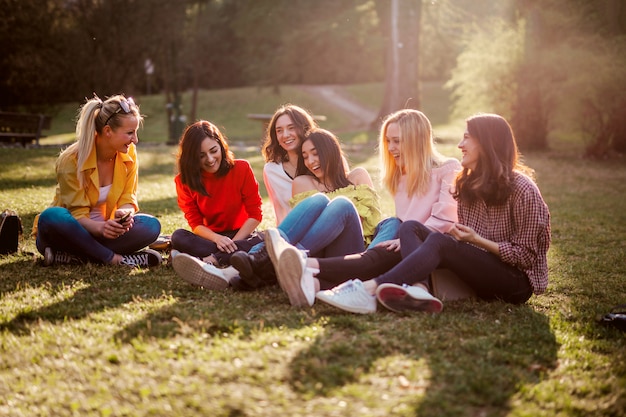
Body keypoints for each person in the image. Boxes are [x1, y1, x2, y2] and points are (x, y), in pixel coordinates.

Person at [315, 113, 551, 314]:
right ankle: (415, 289)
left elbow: (526, 257)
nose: (460, 145)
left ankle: (369, 289)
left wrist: (476, 240)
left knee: (436, 241)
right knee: (408, 227)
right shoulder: (467, 184)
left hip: (516, 284)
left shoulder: (523, 189)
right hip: (479, 275)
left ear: (488, 143)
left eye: (467, 137)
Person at [266, 109, 461, 307]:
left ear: (416, 139)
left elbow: (445, 220)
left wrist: (405, 238)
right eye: (388, 141)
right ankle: (312, 281)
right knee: (388, 227)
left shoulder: (448, 168)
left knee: (381, 230)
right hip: (400, 244)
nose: (391, 148)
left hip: (422, 245)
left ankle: (303, 266)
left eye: (397, 141)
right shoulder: (401, 176)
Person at [229, 127, 380, 296]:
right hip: (317, 251)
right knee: (319, 200)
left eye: (315, 153)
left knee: (342, 205)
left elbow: (368, 223)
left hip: (350, 253)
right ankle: (268, 261)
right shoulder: (303, 182)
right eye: (305, 156)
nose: (310, 161)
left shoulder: (357, 176)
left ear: (331, 152)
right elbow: (305, 225)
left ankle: (266, 261)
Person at [33, 94, 162, 268]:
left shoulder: (128, 154)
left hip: (106, 234)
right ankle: (114, 259)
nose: (135, 140)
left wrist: (124, 215)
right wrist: (100, 228)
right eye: (130, 133)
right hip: (69, 233)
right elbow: (77, 215)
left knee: (151, 226)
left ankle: (75, 257)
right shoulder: (70, 160)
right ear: (108, 131)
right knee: (52, 216)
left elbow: (128, 199)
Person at [170, 120, 263, 289]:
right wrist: (218, 239)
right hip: (210, 237)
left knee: (263, 240)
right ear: (192, 157)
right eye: (201, 155)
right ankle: (220, 256)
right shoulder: (183, 181)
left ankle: (208, 260)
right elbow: (195, 223)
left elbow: (255, 215)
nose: (210, 159)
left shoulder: (242, 168)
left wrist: (232, 243)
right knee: (178, 236)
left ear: (221, 146)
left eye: (214, 151)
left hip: (240, 234)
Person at [262, 104, 318, 225]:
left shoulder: (323, 159)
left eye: (291, 128)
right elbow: (279, 210)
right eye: (279, 131)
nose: (285, 135)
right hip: (294, 232)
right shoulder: (271, 170)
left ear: (304, 128)